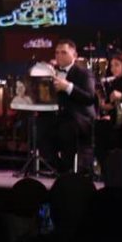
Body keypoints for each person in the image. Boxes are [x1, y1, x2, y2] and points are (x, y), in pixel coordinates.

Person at [37, 39, 96, 173]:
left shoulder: (84, 73)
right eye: (57, 53)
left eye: (63, 52)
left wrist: (68, 87)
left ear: (74, 56)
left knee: (66, 129)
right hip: (58, 115)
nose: (59, 56)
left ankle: (68, 169)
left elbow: (89, 98)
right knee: (39, 125)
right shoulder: (52, 72)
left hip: (78, 117)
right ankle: (57, 167)